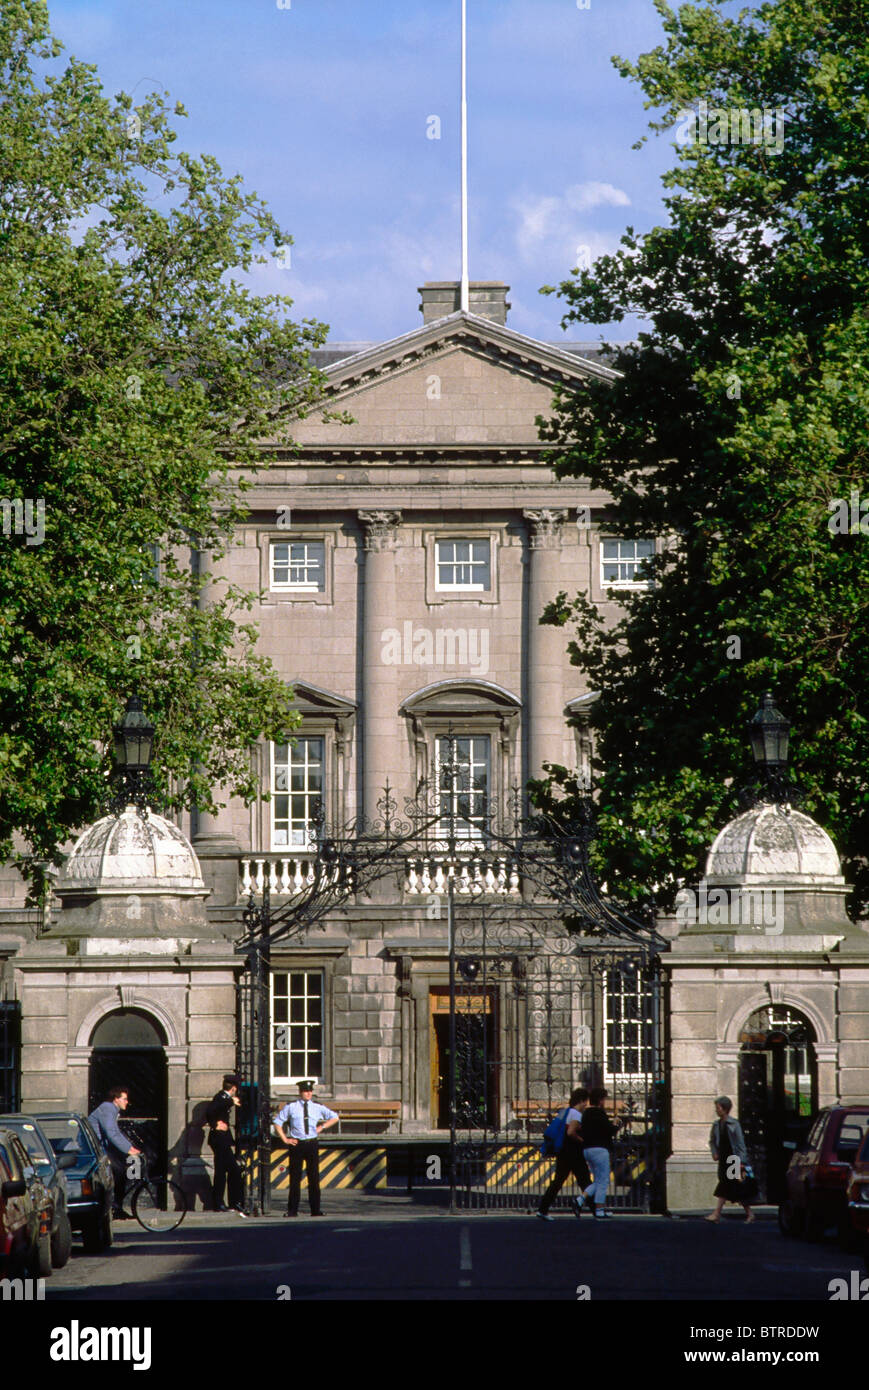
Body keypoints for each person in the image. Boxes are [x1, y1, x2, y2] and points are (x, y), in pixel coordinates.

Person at [273, 1080, 338, 1218]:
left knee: (313, 1177)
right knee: (295, 1178)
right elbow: (278, 1122)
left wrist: (322, 1127)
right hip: (297, 1144)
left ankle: (315, 1209)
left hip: (311, 1144)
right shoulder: (291, 1107)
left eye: (310, 1091)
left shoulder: (317, 1107)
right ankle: (292, 1210)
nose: (308, 1093)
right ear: (300, 1092)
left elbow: (334, 1117)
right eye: (305, 1091)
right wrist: (285, 1139)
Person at [537, 1088, 591, 1220]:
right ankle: (597, 1209)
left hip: (563, 1151)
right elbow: (571, 1132)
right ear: (581, 1101)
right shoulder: (576, 1114)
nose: (586, 1105)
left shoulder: (566, 1112)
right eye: (586, 1102)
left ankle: (543, 1209)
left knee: (558, 1181)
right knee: (585, 1181)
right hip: (573, 1152)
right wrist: (583, 1141)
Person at [88, 1086, 141, 1220]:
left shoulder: (111, 1109)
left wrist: (130, 1147)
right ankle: (114, 1208)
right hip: (96, 1150)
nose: (126, 1102)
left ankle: (116, 1207)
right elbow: (111, 1132)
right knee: (118, 1172)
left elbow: (115, 1132)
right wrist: (129, 1149)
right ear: (116, 1099)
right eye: (124, 1099)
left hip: (101, 1147)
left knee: (121, 1171)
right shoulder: (108, 1108)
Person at [707, 1096, 755, 1223]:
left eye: (718, 1108)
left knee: (725, 1184)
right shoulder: (716, 1124)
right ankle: (750, 1213)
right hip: (723, 1159)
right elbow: (712, 1141)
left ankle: (716, 1214)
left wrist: (742, 1161)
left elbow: (740, 1144)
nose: (716, 1110)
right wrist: (714, 1153)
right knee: (733, 1186)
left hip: (733, 1159)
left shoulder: (734, 1124)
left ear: (725, 1109)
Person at [206, 1074, 247, 1217]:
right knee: (232, 1170)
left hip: (222, 1140)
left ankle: (221, 1203)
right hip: (219, 1139)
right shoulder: (222, 1098)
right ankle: (230, 1202)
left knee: (223, 1172)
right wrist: (215, 1124)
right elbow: (210, 1110)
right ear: (234, 1088)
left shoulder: (224, 1098)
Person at [579, 1087, 619, 1219]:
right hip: (600, 1149)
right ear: (600, 1100)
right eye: (604, 1099)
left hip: (587, 1149)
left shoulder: (585, 1114)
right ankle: (599, 1210)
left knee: (598, 1180)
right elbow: (609, 1131)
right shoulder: (600, 1114)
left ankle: (581, 1199)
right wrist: (615, 1124)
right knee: (603, 1181)